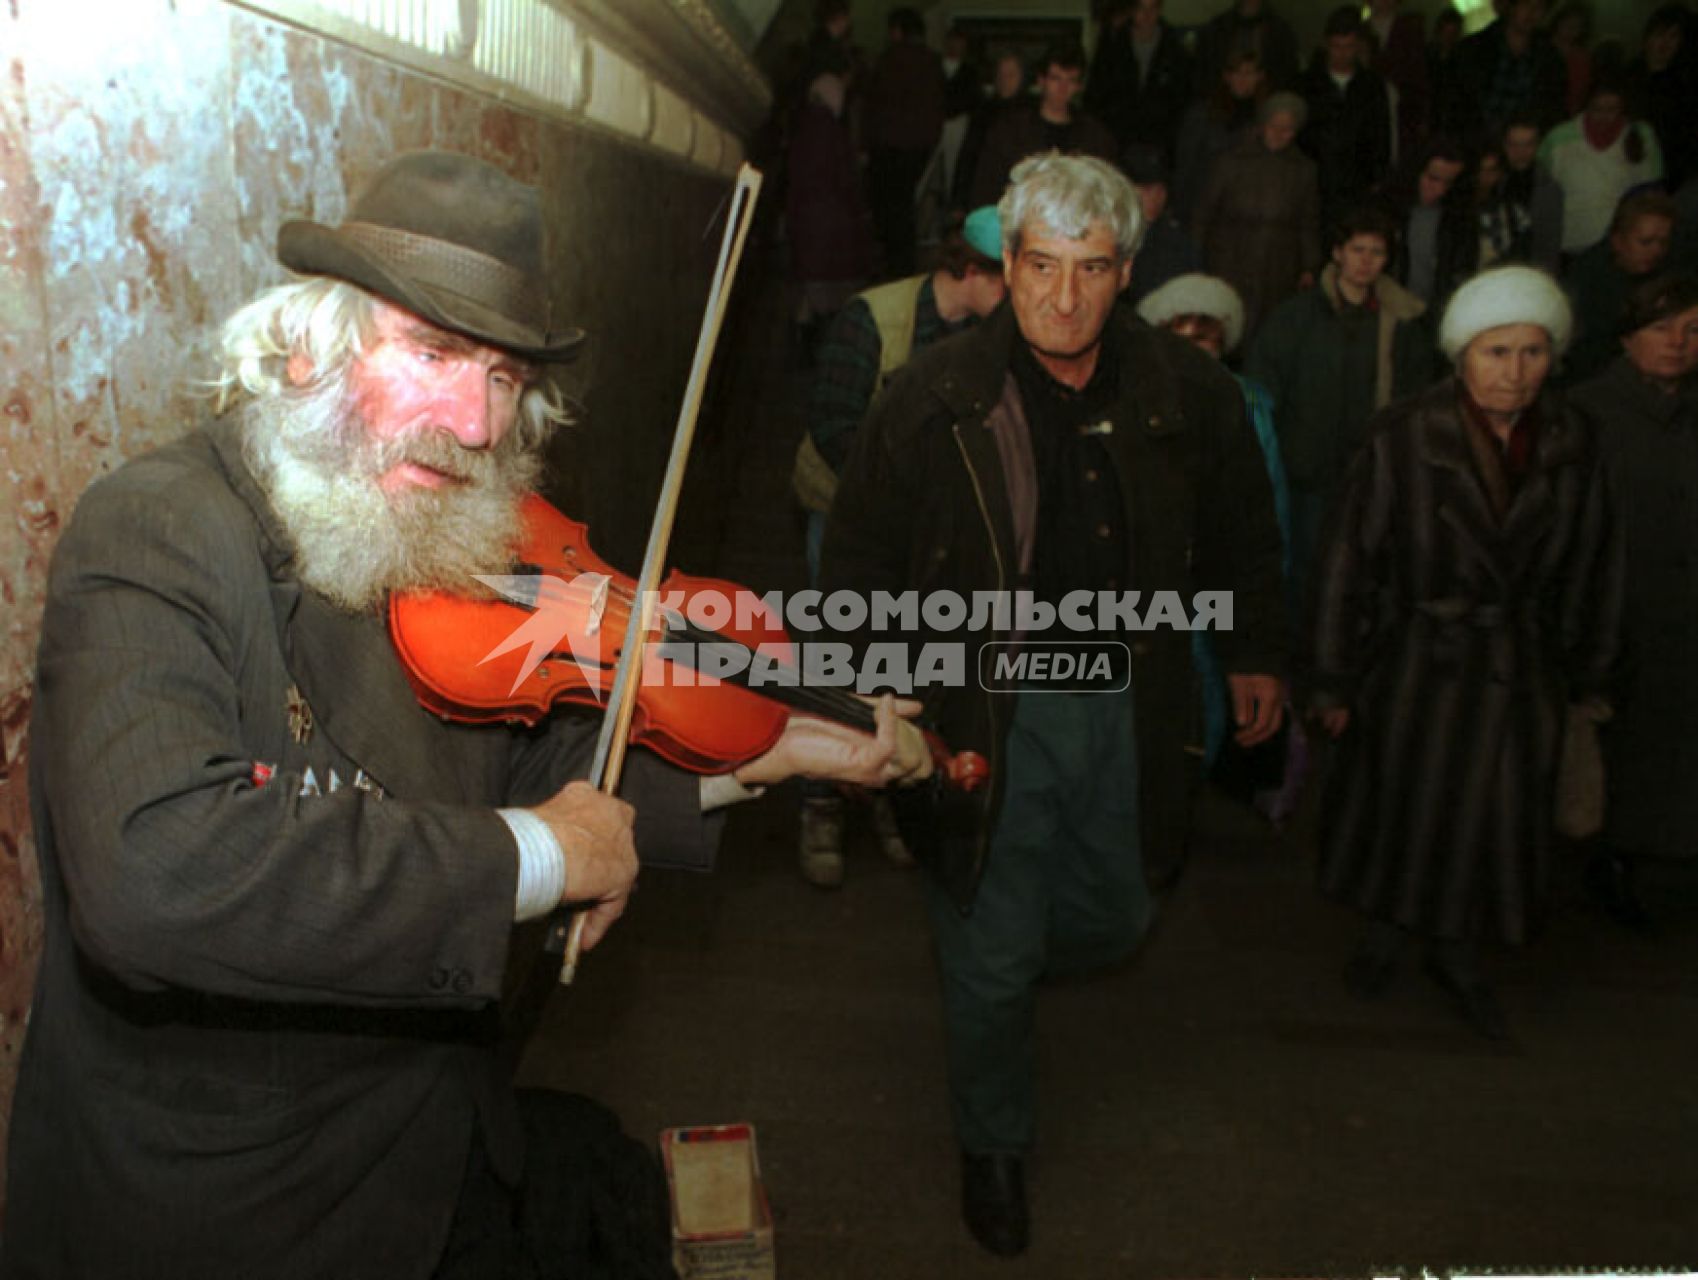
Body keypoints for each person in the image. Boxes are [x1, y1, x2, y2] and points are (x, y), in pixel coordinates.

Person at [0, 150, 932, 1278]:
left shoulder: (434, 532)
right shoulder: (156, 527)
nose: (476, 423)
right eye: (433, 354)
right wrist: (536, 856)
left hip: (437, 1148)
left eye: (501, 377)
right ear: (307, 349)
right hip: (229, 1206)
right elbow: (158, 872)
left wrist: (767, 746)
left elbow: (536, 755)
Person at [821, 151, 1286, 1258]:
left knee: (1121, 908)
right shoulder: (934, 396)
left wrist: (1257, 649)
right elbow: (861, 551)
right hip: (986, 697)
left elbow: (1243, 526)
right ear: (1007, 263)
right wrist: (872, 682)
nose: (1062, 296)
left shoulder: (1189, 391)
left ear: (1127, 269)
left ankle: (1005, 963)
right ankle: (993, 1142)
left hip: (1130, 693)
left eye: (1089, 268)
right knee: (988, 939)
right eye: (1038, 265)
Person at [1310, 264, 1624, 1041]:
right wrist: (1331, 678)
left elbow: (1595, 559)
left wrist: (1592, 673)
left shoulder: (1572, 440)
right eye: (1496, 351)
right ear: (1461, 355)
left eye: (1532, 352)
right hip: (1419, 656)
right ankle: (1389, 933)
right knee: (1405, 803)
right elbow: (1348, 561)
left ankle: (1458, 950)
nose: (1515, 372)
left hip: (1520, 660)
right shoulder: (1407, 437)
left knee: (1493, 813)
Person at [791, 207, 1009, 887]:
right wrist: (914, 499)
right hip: (848, 518)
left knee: (905, 665)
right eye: (1015, 277)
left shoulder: (987, 340)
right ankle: (820, 803)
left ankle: (888, 789)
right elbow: (832, 425)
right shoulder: (871, 319)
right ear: (972, 271)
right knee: (833, 661)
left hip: (926, 536)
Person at [1136, 273, 1300, 820]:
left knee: (1206, 697)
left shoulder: (1249, 405)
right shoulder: (1135, 403)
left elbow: (1269, 512)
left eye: (1204, 341)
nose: (1193, 354)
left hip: (1212, 589)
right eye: (1180, 339)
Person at [1569, 272, 1698, 930]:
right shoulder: (1589, 412)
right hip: (1619, 612)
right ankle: (1610, 861)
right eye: (1661, 328)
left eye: (1692, 330)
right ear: (1628, 338)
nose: (1677, 343)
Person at [1246, 204, 1431, 605]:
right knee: (1304, 567)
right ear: (1337, 253)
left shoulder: (1401, 322)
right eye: (1358, 249)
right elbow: (1263, 388)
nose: (1366, 262)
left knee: (1363, 570)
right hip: (1306, 470)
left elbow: (1414, 396)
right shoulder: (1296, 317)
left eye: (1376, 253)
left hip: (1370, 469)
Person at [1193, 90, 1321, 340]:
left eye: (1288, 129)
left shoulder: (1304, 170)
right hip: (1230, 256)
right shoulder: (1230, 161)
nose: (1279, 134)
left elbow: (1309, 221)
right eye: (1275, 126)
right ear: (1262, 124)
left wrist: (1309, 266)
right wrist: (1195, 256)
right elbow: (1204, 212)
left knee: (1268, 329)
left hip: (1278, 262)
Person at [965, 41, 1117, 208]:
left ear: (1079, 86)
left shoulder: (1095, 137)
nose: (1062, 88)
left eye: (1071, 80)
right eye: (1056, 78)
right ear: (1041, 80)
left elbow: (1107, 193)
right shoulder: (1009, 131)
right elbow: (985, 188)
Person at [786, 72, 872, 358]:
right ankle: (822, 347)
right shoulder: (831, 130)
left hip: (804, 217)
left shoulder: (803, 126)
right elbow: (845, 178)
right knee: (827, 284)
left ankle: (801, 341)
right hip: (830, 219)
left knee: (808, 284)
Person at [1540, 73, 1665, 258]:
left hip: (1623, 247)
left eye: (1612, 109)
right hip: (1571, 244)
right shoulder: (1559, 138)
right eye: (1597, 109)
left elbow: (1652, 193)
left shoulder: (1642, 135)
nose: (1604, 116)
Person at [862, 7, 946, 278]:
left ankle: (892, 270)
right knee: (906, 210)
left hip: (887, 147)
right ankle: (905, 268)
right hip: (918, 148)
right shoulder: (932, 61)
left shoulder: (888, 60)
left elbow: (873, 106)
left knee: (889, 213)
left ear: (897, 31)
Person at [1562, 188, 1678, 383]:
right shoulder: (1585, 278)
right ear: (1617, 240)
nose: (1656, 251)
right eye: (1646, 242)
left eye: (1663, 243)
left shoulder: (1669, 273)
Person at [1297, 5, 1394, 236]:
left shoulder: (1372, 86)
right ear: (1326, 45)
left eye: (1348, 47)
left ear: (1359, 46)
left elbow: (1381, 134)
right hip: (1314, 182)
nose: (1342, 54)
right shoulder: (1305, 84)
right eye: (1336, 47)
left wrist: (1377, 177)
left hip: (1357, 183)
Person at [1085, 0, 1194, 163]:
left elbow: (1183, 99)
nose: (1147, 16)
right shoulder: (1113, 44)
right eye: (1141, 9)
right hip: (1117, 142)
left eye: (1152, 9)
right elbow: (1096, 94)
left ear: (1160, 10)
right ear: (1132, 10)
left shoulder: (1175, 48)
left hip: (1159, 146)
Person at [1377, 136, 1476, 310]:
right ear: (1415, 172)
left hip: (1436, 313)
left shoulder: (1459, 217)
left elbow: (1461, 269)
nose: (1440, 190)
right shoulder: (1385, 209)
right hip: (1389, 308)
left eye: (1448, 183)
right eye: (1433, 179)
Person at [1172, 49, 1266, 224]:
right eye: (1237, 73)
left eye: (1249, 73)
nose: (1243, 79)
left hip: (1251, 210)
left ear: (1259, 76)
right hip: (1208, 207)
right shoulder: (1203, 114)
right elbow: (1186, 166)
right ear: (1227, 77)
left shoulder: (1267, 118)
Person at [1454, 0, 1568, 136]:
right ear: (1511, 6)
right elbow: (1457, 103)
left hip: (1524, 144)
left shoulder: (1549, 59)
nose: (1532, 13)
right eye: (1526, 4)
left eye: (1539, 7)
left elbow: (1552, 108)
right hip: (1473, 139)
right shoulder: (1473, 49)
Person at [1122, 144, 1202, 305]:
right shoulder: (1112, 240)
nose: (1154, 197)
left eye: (1160, 189)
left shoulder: (1180, 245)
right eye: (1145, 189)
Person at [953, 50, 1027, 212]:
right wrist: (959, 200)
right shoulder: (983, 112)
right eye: (1001, 74)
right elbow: (968, 156)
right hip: (985, 193)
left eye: (1010, 75)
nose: (1004, 80)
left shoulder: (1031, 114)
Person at [1364, 0, 1429, 165]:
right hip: (1371, 106)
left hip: (1405, 106)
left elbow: (1418, 72)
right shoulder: (1361, 30)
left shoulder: (1410, 30)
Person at [1501, 114, 1566, 271]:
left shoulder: (1549, 189)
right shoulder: (1491, 183)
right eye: (1514, 145)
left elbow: (1550, 244)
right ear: (1504, 145)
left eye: (1528, 145)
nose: (1521, 152)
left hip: (1532, 271)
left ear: (1537, 146)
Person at [1194, 0, 1300, 95]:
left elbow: (1288, 73)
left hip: (1268, 100)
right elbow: (1203, 70)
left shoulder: (1280, 31)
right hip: (1220, 100)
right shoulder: (1216, 29)